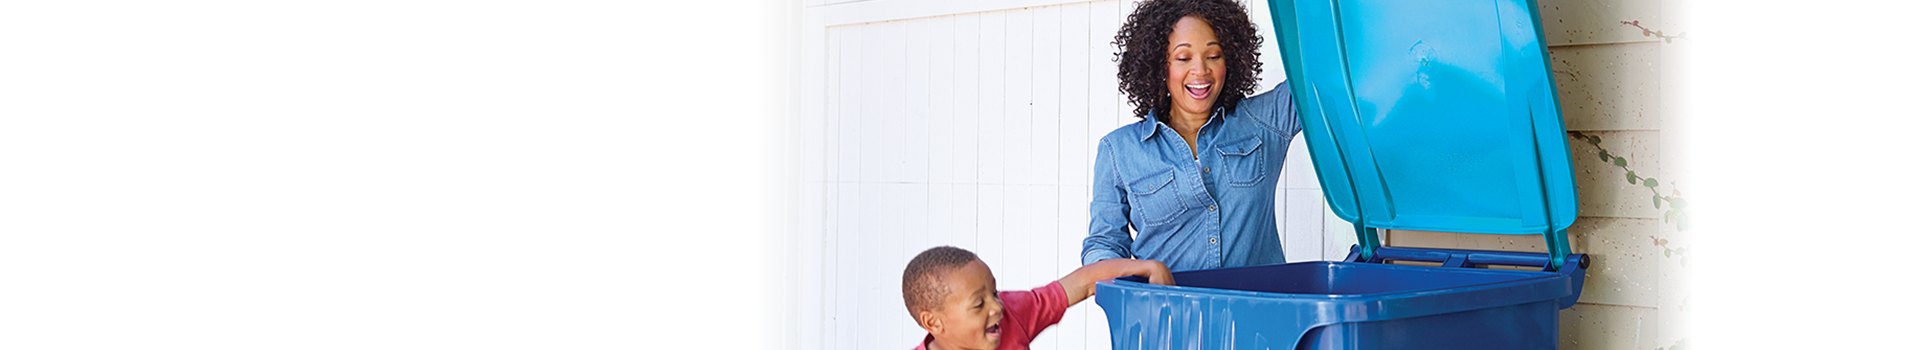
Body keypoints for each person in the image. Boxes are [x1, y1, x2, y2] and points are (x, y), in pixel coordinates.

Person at [1082, 0, 1302, 271]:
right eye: (1184, 58)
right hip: (1169, 312)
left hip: (1256, 311)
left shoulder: (1264, 121)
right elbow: (1104, 244)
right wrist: (1126, 274)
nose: (1201, 70)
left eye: (1214, 56)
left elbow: (1322, 73)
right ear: (1159, 65)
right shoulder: (1118, 150)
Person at [901, 246, 1172, 350]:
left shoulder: (1013, 314)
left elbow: (1082, 283)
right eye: (979, 304)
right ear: (934, 323)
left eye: (993, 293)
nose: (997, 307)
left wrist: (1149, 267)